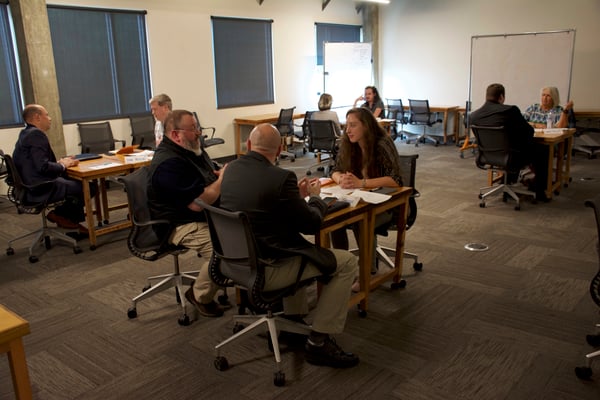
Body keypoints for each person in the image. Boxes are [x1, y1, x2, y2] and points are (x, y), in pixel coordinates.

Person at [219, 123, 360, 369]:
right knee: (347, 262)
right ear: (280, 149)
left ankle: (293, 321)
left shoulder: (230, 170)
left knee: (292, 246)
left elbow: (258, 204)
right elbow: (310, 226)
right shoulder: (281, 177)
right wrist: (315, 197)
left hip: (233, 262)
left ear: (249, 145)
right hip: (268, 268)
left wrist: (294, 197)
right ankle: (319, 341)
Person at [147, 109, 228, 318]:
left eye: (197, 127)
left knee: (244, 230)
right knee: (226, 247)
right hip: (177, 224)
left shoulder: (191, 149)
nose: (199, 133)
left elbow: (210, 173)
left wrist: (220, 175)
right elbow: (198, 204)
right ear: (176, 134)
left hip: (204, 214)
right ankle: (198, 294)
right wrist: (221, 181)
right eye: (193, 129)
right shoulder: (169, 163)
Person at [330, 107, 403, 251]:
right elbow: (334, 170)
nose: (348, 130)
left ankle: (368, 270)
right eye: (347, 125)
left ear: (366, 126)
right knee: (333, 216)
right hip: (359, 199)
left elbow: (396, 181)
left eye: (353, 125)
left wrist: (361, 183)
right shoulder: (348, 144)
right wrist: (341, 179)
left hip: (389, 203)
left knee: (359, 218)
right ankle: (342, 263)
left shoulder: (382, 144)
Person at [13, 104, 90, 232]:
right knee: (85, 187)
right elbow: (42, 167)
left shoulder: (26, 133)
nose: (50, 118)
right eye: (47, 115)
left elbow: (37, 162)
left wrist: (60, 163)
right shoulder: (36, 135)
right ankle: (66, 220)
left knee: (77, 183)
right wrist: (63, 165)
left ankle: (64, 218)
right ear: (37, 117)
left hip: (29, 184)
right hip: (39, 186)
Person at [470, 83, 549, 201]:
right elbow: (528, 132)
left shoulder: (474, 116)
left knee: (513, 148)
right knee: (543, 150)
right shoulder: (510, 111)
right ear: (501, 97)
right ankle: (539, 191)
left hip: (486, 156)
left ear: (486, 96)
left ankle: (508, 182)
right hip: (510, 157)